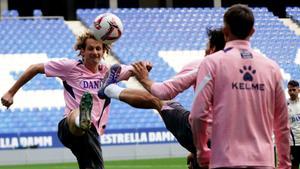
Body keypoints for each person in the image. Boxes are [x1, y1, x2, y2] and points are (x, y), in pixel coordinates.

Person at [1, 31, 149, 169]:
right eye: (90, 49)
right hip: (68, 127)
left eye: (98, 49)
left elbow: (136, 69)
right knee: (77, 113)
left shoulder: (109, 72)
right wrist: (10, 92)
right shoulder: (70, 67)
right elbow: (35, 68)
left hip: (92, 133)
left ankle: (84, 120)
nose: (95, 52)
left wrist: (146, 65)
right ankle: (81, 119)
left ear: (104, 51)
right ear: (82, 51)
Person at [98, 28, 225, 169]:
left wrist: (144, 79)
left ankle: (110, 89)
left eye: (206, 48)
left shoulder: (203, 66)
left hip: (200, 135)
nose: (205, 52)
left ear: (212, 49)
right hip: (230, 143)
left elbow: (163, 92)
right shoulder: (246, 69)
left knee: (160, 102)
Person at [189, 4, 291, 169]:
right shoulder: (272, 68)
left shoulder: (211, 63)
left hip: (225, 160)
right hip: (263, 161)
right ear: (252, 32)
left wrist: (202, 151)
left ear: (225, 31)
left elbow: (198, 114)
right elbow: (282, 123)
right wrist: (285, 163)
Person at [287, 80, 300, 169]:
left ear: (298, 90)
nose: (291, 92)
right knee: (294, 166)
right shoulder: (285, 104)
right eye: (289, 90)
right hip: (293, 144)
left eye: (293, 90)